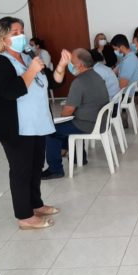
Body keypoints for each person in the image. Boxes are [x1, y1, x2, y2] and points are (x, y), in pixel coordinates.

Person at [0, 17, 63, 230]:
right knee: (21, 169)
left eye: (22, 31)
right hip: (15, 127)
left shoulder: (28, 58)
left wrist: (58, 66)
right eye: (15, 33)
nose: (22, 36)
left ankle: (35, 204)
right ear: (2, 38)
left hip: (36, 122)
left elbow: (48, 82)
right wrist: (31, 71)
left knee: (36, 166)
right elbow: (11, 92)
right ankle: (24, 216)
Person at [41, 48, 110, 179]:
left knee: (51, 130)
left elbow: (67, 111)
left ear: (80, 65)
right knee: (69, 124)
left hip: (89, 124)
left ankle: (55, 169)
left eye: (71, 62)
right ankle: (79, 157)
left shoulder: (79, 82)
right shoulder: (96, 75)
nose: (69, 65)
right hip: (100, 121)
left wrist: (60, 121)